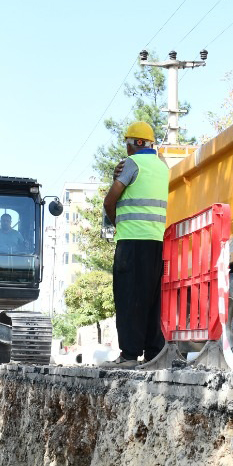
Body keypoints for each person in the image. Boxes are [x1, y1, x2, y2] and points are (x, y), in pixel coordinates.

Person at [103, 120, 168, 362]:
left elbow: (110, 201)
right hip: (157, 243)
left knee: (129, 298)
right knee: (152, 300)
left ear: (132, 144)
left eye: (127, 145)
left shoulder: (131, 164)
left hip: (131, 241)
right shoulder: (163, 167)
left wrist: (117, 223)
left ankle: (129, 355)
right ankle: (152, 354)